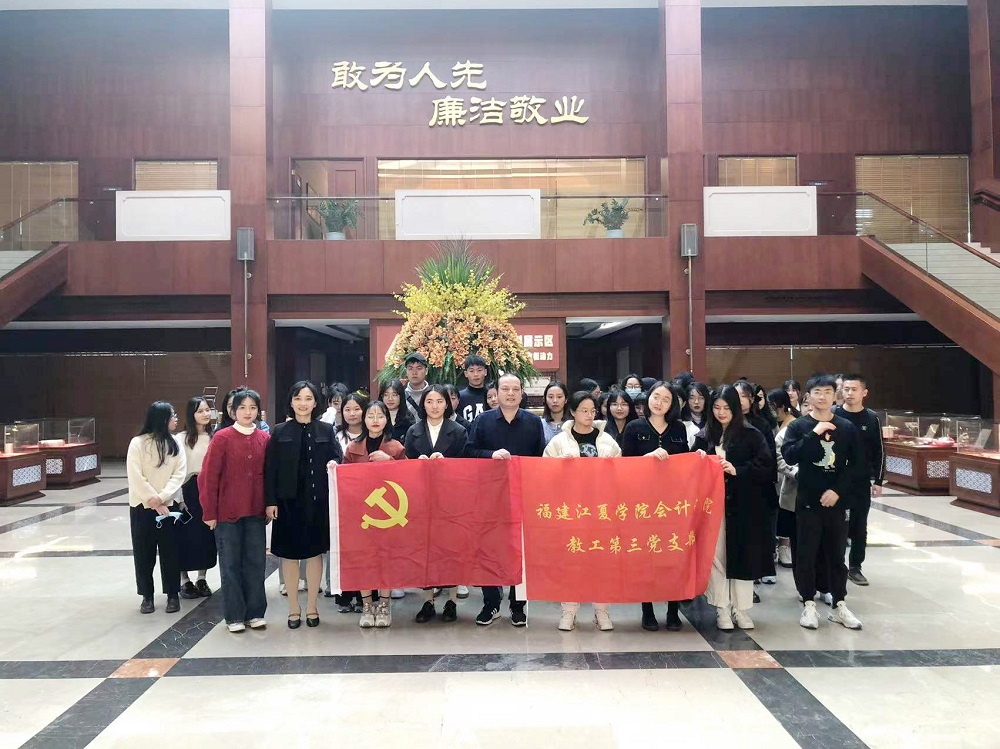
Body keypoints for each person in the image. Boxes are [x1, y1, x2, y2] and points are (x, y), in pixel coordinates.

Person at [781, 373, 865, 631]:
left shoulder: (846, 427)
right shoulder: (799, 426)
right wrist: (813, 434)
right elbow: (789, 456)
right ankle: (808, 603)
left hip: (837, 502)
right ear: (808, 396)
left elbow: (856, 465)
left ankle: (839, 604)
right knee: (806, 553)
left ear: (834, 396)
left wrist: (838, 491)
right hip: (808, 500)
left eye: (828, 392)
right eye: (817, 392)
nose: (822, 397)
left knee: (837, 554)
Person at [467, 373, 546, 626]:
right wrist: (490, 455)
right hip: (489, 496)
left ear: (522, 393)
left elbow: (539, 459)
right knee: (489, 548)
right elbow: (469, 452)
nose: (510, 394)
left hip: (522, 496)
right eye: (505, 389)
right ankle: (491, 602)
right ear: (496, 393)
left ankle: (518, 603)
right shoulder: (483, 420)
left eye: (515, 389)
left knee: (519, 550)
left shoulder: (533, 422)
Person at [695, 386, 776, 631]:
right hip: (713, 507)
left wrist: (737, 470)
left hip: (744, 506)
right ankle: (721, 608)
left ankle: (741, 609)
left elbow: (766, 468)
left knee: (744, 556)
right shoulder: (704, 436)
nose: (721, 413)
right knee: (717, 556)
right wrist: (698, 460)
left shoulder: (752, 435)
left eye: (727, 408)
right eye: (716, 408)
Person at [265, 381, 342, 630]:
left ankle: (311, 607)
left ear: (315, 402)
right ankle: (293, 608)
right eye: (298, 398)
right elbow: (270, 469)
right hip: (287, 503)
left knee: (314, 553)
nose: (303, 403)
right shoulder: (279, 431)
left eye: (308, 398)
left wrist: (334, 462)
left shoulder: (325, 429)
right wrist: (270, 501)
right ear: (291, 401)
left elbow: (337, 457)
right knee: (289, 555)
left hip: (316, 501)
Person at [543, 391, 622, 631]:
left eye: (592, 411)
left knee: (602, 561)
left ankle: (601, 611)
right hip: (571, 509)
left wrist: (612, 465)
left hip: (601, 509)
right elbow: (543, 472)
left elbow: (623, 473)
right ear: (573, 412)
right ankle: (569, 610)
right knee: (571, 559)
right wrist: (560, 464)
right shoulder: (559, 441)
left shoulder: (607, 440)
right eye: (584, 411)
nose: (589, 415)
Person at [200, 389, 270, 633]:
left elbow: (270, 475)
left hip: (256, 512)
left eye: (252, 408)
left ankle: (256, 612)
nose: (247, 412)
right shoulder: (222, 438)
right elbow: (209, 477)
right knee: (230, 565)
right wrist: (209, 512)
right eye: (242, 408)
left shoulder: (264, 438)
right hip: (227, 513)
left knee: (256, 563)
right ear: (233, 412)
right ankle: (234, 616)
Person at [621, 381, 690, 632]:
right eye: (656, 397)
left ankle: (673, 610)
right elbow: (624, 466)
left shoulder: (679, 428)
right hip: (643, 503)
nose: (659, 402)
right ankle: (647, 610)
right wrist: (646, 459)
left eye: (666, 399)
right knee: (646, 556)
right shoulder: (634, 427)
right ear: (648, 398)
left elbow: (686, 463)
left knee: (672, 554)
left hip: (672, 503)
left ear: (673, 405)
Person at [403, 385, 469, 623]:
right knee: (426, 549)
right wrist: (416, 463)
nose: (434, 406)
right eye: (429, 401)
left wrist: (447, 462)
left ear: (447, 404)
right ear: (423, 404)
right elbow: (404, 464)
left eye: (439, 401)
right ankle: (428, 601)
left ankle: (452, 601)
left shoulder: (458, 430)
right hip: (422, 499)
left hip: (451, 499)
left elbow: (467, 465)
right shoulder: (413, 431)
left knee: (451, 549)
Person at [345, 400, 407, 628]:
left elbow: (409, 476)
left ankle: (384, 604)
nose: (375, 420)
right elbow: (344, 478)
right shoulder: (352, 448)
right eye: (370, 416)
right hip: (361, 513)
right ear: (364, 419)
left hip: (388, 514)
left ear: (386, 419)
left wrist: (389, 460)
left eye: (380, 416)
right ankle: (367, 605)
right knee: (364, 559)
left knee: (386, 558)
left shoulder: (396, 447)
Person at [127, 401, 187, 615]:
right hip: (142, 507)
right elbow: (135, 476)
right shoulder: (138, 443)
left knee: (171, 552)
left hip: (169, 507)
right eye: (173, 416)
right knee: (144, 553)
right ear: (162, 419)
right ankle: (147, 596)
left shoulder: (175, 443)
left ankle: (172, 594)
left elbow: (179, 475)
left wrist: (161, 499)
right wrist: (153, 501)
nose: (176, 419)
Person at [834, 374, 884, 587]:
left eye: (854, 389)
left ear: (864, 392)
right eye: (846, 389)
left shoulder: (871, 418)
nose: (849, 393)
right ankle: (835, 564)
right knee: (836, 524)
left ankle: (855, 566)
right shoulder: (835, 415)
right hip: (836, 481)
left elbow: (879, 451)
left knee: (859, 525)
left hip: (861, 481)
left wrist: (878, 480)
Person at [734, 380, 779, 585]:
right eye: (736, 396)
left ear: (752, 399)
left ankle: (760, 572)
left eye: (744, 396)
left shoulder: (761, 424)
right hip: (735, 486)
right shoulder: (727, 422)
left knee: (759, 533)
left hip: (758, 486)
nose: (740, 400)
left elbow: (769, 459)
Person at [175, 396, 217, 599]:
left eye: (207, 410)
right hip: (186, 491)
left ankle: (202, 578)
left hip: (207, 491)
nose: (205, 414)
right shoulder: (180, 438)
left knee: (206, 536)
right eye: (200, 411)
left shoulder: (215, 437)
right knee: (183, 536)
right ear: (191, 414)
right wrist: (179, 496)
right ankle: (184, 580)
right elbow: (175, 469)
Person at [768, 388, 798, 569]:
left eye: (774, 406)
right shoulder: (771, 423)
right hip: (775, 476)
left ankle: (784, 548)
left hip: (789, 478)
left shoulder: (793, 425)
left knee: (786, 515)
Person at [458, 355, 490, 423]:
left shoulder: (491, 396)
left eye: (479, 370)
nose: (476, 374)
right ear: (466, 374)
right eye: (471, 371)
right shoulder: (459, 397)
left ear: (485, 372)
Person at [403, 352, 432, 421]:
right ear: (406, 371)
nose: (414, 372)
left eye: (419, 368)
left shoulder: (434, 393)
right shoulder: (400, 396)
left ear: (426, 371)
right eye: (410, 368)